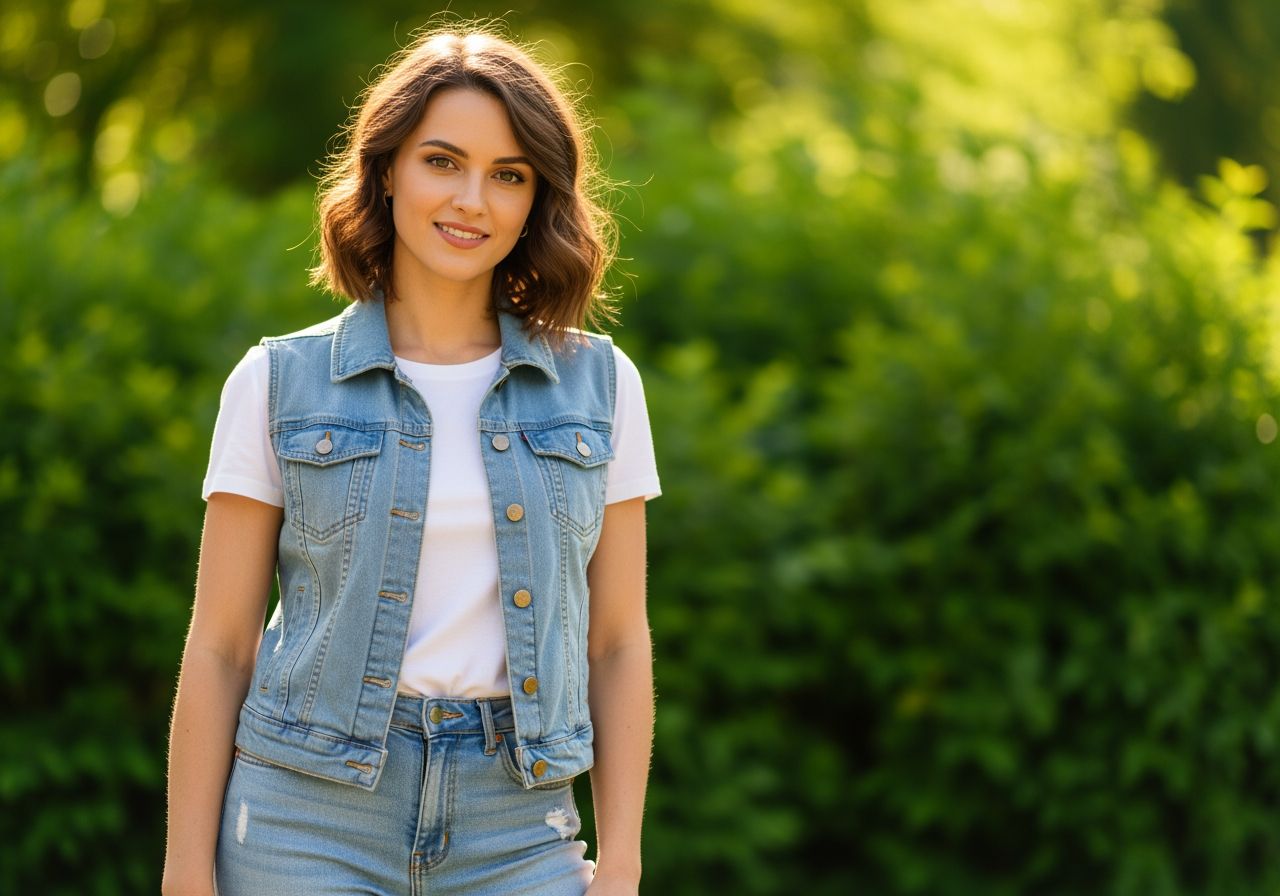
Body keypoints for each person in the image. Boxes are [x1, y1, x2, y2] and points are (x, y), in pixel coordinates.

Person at [162, 24, 660, 896]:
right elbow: (220, 646)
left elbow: (617, 641)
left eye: (508, 175)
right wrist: (184, 875)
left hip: (518, 823)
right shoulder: (281, 381)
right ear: (387, 170)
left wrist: (621, 862)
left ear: (535, 199)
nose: (472, 199)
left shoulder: (600, 385)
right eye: (442, 161)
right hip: (304, 816)